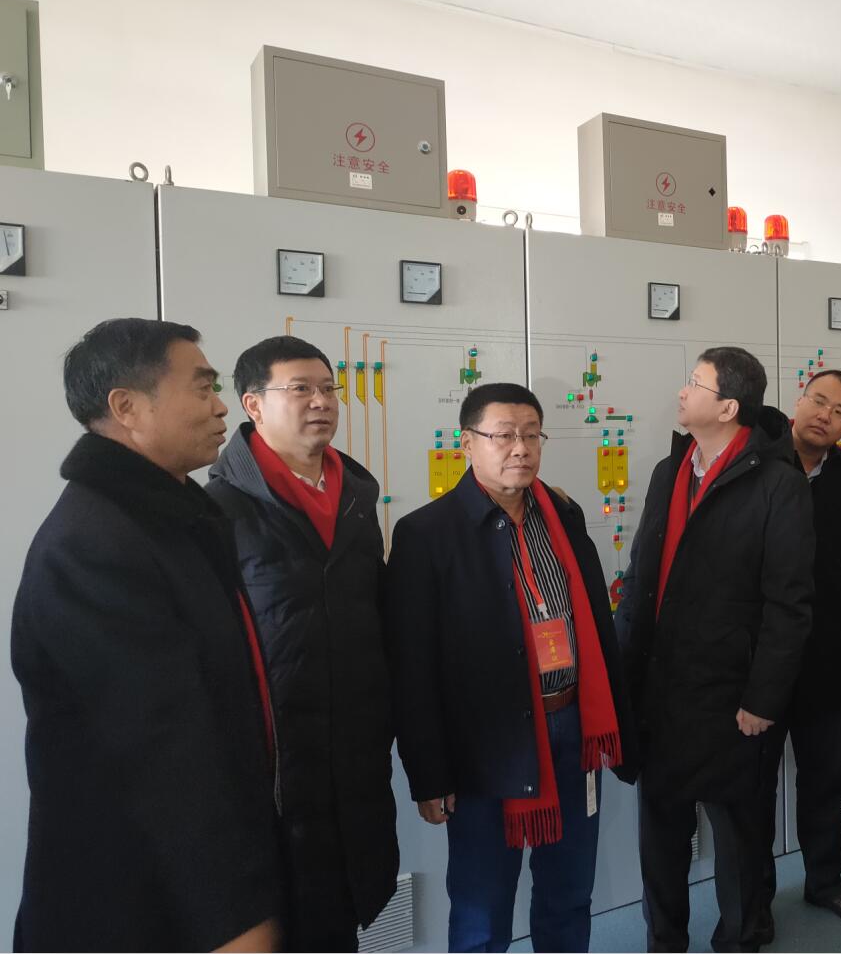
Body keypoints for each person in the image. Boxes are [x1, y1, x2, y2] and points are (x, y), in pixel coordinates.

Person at [10, 318, 281, 951]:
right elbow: (162, 754)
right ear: (127, 407)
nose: (220, 406)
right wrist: (234, 917)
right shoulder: (94, 545)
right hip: (136, 899)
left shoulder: (174, 519)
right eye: (202, 387)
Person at [387, 382, 637, 953]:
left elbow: (593, 623)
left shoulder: (564, 515)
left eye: (531, 435)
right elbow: (413, 668)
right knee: (482, 904)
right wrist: (429, 774)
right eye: (503, 435)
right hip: (486, 744)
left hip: (573, 727)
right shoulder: (427, 534)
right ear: (467, 443)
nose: (520, 448)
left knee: (570, 890)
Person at [617, 347, 815, 953]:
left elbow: (789, 605)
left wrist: (763, 699)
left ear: (728, 407)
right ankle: (664, 940)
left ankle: (740, 937)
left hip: (733, 695)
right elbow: (642, 573)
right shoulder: (669, 471)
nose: (682, 392)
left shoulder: (777, 483)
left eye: (695, 384)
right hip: (662, 687)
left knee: (739, 834)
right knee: (660, 829)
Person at [207, 336, 399, 951]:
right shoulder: (219, 509)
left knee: (342, 916)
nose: (321, 402)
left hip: (356, 753)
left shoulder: (356, 497)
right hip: (275, 768)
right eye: (300, 390)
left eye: (327, 389)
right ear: (253, 405)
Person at [755, 369, 841, 936]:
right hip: (759, 656)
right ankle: (753, 897)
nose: (825, 415)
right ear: (798, 400)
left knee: (827, 776)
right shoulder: (756, 461)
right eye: (819, 401)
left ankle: (826, 881)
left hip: (826, 652)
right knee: (754, 784)